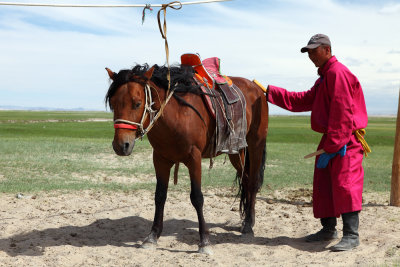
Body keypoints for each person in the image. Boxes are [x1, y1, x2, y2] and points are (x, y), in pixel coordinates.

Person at [265, 34, 370, 251]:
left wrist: (333, 144)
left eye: (314, 50)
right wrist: (270, 93)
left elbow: (343, 112)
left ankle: (351, 234)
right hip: (333, 137)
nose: (310, 55)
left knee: (345, 183)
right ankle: (328, 229)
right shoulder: (324, 77)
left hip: (345, 139)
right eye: (308, 52)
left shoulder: (337, 73)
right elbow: (303, 100)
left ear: (327, 50)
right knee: (324, 184)